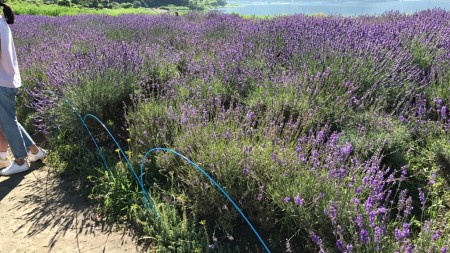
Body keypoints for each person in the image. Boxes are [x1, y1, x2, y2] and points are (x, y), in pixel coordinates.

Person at [0, 3, 46, 176]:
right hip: (7, 80)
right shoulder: (2, 22)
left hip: (2, 82)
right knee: (10, 120)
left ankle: (20, 161)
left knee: (7, 123)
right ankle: (35, 151)